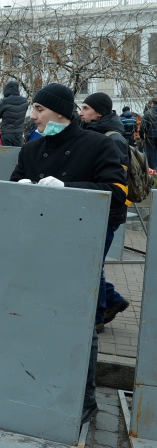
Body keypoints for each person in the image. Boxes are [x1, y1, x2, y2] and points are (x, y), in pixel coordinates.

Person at [9, 83, 128, 424]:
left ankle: (84, 399)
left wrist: (69, 189)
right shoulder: (31, 150)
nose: (33, 116)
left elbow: (116, 190)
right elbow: (16, 182)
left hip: (78, 249)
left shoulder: (98, 144)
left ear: (60, 112)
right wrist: (19, 189)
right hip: (36, 247)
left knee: (82, 321)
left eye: (39, 110)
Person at [79, 92, 132, 332]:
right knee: (91, 262)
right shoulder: (98, 133)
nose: (81, 113)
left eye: (86, 108)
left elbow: (115, 184)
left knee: (93, 264)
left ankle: (98, 317)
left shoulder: (112, 138)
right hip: (98, 209)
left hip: (109, 212)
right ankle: (112, 300)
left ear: (99, 112)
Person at [0, 81, 29, 147]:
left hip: (6, 133)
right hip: (19, 133)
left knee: (7, 154)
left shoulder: (4, 101)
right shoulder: (25, 102)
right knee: (19, 154)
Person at [141, 99, 157, 169]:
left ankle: (153, 169)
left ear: (153, 103)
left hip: (150, 136)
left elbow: (143, 127)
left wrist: (142, 136)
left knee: (151, 153)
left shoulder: (148, 113)